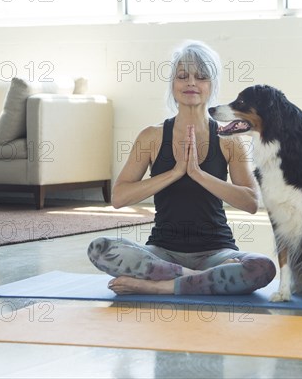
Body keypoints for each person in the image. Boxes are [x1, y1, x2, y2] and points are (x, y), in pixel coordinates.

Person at [87, 40, 276, 295]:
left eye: (201, 77)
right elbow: (119, 198)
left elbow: (251, 202)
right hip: (162, 253)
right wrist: (175, 172)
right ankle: (197, 279)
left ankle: (159, 287)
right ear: (173, 85)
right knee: (100, 249)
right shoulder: (151, 137)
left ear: (211, 86)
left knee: (261, 268)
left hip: (216, 251)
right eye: (182, 76)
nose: (191, 83)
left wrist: (198, 174)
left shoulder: (230, 140)